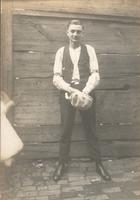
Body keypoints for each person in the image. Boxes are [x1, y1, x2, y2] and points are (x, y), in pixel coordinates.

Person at [52, 19, 111, 182]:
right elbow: (56, 78)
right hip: (67, 94)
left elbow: (95, 74)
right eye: (72, 31)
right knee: (65, 130)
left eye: (78, 31)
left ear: (82, 33)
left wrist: (84, 93)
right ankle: (62, 163)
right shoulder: (60, 52)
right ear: (67, 33)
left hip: (87, 93)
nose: (75, 34)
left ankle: (98, 164)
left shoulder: (89, 50)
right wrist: (72, 91)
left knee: (91, 129)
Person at [0, 91, 24, 188]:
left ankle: (7, 180)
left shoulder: (1, 94)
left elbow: (3, 110)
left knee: (7, 154)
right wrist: (9, 104)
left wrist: (9, 103)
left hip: (4, 129)